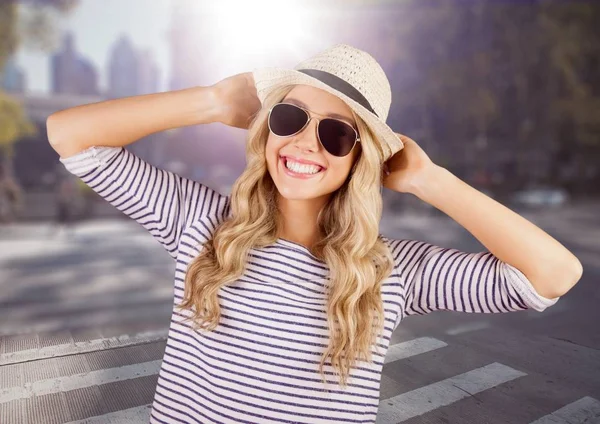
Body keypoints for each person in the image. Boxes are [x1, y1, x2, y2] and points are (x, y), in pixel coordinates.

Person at [47, 44, 582, 423]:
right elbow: (69, 136)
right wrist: (213, 101)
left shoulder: (392, 271)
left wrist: (429, 180)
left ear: (359, 160)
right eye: (290, 117)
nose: (305, 143)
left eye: (335, 132)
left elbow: (553, 276)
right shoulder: (201, 223)